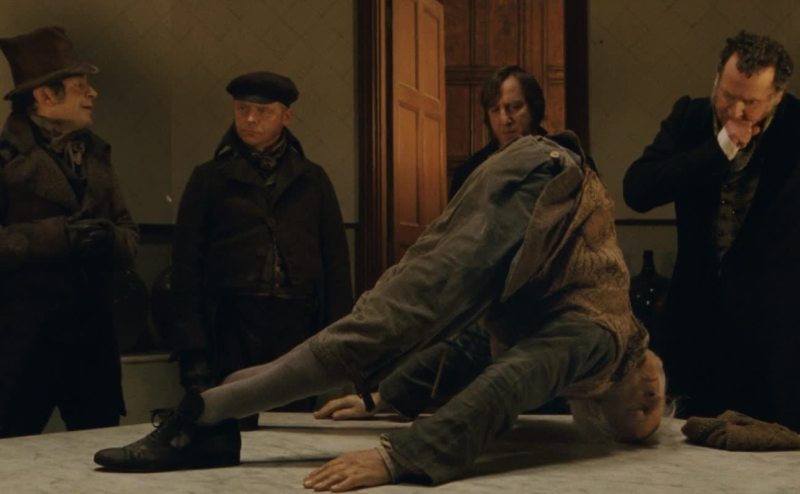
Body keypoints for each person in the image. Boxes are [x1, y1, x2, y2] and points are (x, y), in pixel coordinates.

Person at [95, 120, 667, 489]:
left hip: (537, 184)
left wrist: (382, 397)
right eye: (656, 403)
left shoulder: (589, 337)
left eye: (641, 418)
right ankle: (201, 419)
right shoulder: (602, 340)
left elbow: (471, 350)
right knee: (384, 324)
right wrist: (405, 456)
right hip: (546, 184)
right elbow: (512, 384)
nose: (650, 401)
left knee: (385, 325)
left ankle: (210, 416)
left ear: (598, 410)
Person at [623, 31, 798, 430]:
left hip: (774, 339)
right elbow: (638, 190)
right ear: (717, 77)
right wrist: (716, 151)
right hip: (695, 325)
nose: (735, 110)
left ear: (775, 97)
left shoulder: (796, 127)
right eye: (727, 95)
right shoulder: (690, 118)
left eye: (750, 102)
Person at [167, 71, 353, 417]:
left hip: (298, 322)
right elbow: (186, 268)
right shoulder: (210, 178)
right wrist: (192, 351)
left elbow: (336, 264)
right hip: (231, 323)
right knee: (232, 419)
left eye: (263, 111)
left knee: (294, 424)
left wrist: (340, 341)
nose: (250, 119)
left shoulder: (312, 179)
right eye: (242, 109)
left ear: (286, 116)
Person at [0, 26, 139, 437]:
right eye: (80, 86)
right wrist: (57, 236)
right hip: (23, 346)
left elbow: (130, 234)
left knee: (97, 448)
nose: (92, 93)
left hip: (92, 342)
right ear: (45, 96)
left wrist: (108, 237)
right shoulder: (6, 160)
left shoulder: (97, 154)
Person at [449, 64, 546, 198]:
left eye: (514, 107)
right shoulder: (468, 174)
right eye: (495, 110)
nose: (505, 120)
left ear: (534, 108)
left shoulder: (565, 156)